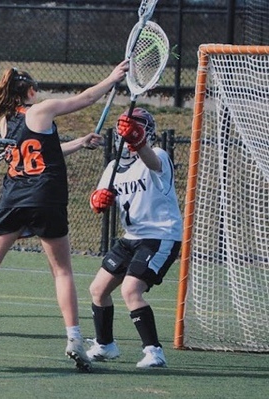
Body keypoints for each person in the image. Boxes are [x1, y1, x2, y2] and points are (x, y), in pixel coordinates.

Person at [0, 60, 129, 372]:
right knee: (62, 271)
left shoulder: (6, 120)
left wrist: (79, 143)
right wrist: (112, 78)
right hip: (45, 196)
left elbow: (42, 149)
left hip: (13, 196)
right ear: (31, 91)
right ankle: (74, 339)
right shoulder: (43, 109)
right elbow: (88, 98)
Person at [86, 108, 182, 368]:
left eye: (138, 129)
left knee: (131, 289)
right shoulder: (114, 166)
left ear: (146, 133)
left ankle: (154, 352)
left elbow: (152, 161)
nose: (130, 134)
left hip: (161, 234)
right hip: (132, 237)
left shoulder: (157, 154)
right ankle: (105, 345)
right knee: (98, 289)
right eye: (129, 129)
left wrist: (137, 140)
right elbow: (99, 197)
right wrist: (98, 201)